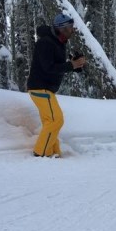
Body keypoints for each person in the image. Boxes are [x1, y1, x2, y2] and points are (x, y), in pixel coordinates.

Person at [27, 13, 86, 158]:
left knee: (50, 122)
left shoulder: (59, 43)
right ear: (62, 28)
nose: (72, 30)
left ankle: (53, 153)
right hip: (40, 87)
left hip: (46, 89)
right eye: (70, 27)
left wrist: (75, 65)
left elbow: (58, 66)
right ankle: (40, 153)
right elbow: (48, 67)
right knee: (56, 120)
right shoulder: (46, 42)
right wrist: (70, 64)